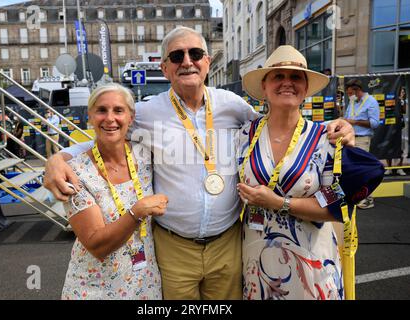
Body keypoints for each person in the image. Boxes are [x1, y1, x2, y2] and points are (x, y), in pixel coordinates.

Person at [44, 27, 355, 300]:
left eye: (195, 53)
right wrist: (59, 158)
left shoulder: (232, 105)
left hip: (228, 244)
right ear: (165, 68)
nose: (187, 61)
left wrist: (335, 127)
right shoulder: (147, 112)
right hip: (174, 247)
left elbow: (280, 122)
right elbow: (110, 131)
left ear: (207, 61)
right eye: (177, 56)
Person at [238, 45, 348, 300]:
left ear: (306, 88)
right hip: (257, 263)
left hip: (312, 267)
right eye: (278, 76)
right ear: (264, 87)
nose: (287, 83)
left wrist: (279, 203)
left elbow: (335, 205)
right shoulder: (243, 134)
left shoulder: (326, 138)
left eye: (296, 77)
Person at [61, 83, 168, 300]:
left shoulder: (145, 155)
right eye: (101, 110)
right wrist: (137, 211)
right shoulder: (75, 173)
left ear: (131, 117)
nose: (110, 118)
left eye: (118, 110)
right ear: (90, 116)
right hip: (94, 288)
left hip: (145, 284)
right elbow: (96, 244)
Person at [343, 79, 380, 209]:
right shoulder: (353, 101)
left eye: (350, 93)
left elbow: (375, 123)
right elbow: (348, 117)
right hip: (350, 138)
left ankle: (368, 199)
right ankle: (357, 197)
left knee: (363, 169)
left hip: (362, 139)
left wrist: (355, 122)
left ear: (357, 90)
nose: (349, 96)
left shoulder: (371, 102)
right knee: (352, 169)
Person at [385, 86, 407, 176]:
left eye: (404, 92)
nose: (403, 93)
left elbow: (404, 111)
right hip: (390, 127)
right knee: (389, 147)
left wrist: (402, 101)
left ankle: (399, 167)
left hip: (400, 128)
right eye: (402, 92)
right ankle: (389, 168)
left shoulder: (402, 101)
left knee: (401, 148)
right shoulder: (391, 100)